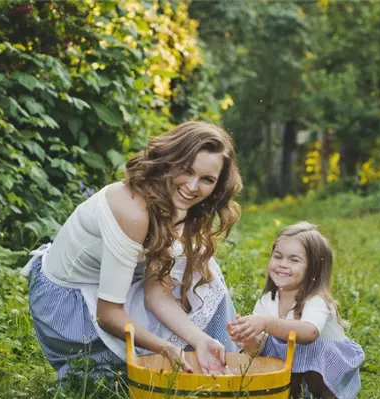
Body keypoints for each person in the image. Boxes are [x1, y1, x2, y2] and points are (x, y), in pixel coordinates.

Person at [22, 121, 242, 379]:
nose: (193, 187)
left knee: (200, 269)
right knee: (131, 373)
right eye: (187, 170)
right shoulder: (133, 211)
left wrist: (200, 339)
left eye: (206, 180)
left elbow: (156, 293)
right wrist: (165, 348)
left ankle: (225, 366)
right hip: (68, 310)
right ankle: (90, 366)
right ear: (171, 160)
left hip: (109, 290)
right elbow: (108, 315)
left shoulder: (172, 198)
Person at [227, 222, 364, 399]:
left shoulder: (317, 300)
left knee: (314, 346)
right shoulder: (268, 300)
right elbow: (259, 348)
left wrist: (265, 322)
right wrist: (249, 339)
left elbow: (309, 333)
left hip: (328, 370)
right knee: (269, 346)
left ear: (313, 269)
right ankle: (294, 395)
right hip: (296, 367)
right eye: (278, 256)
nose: (282, 264)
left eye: (294, 260)